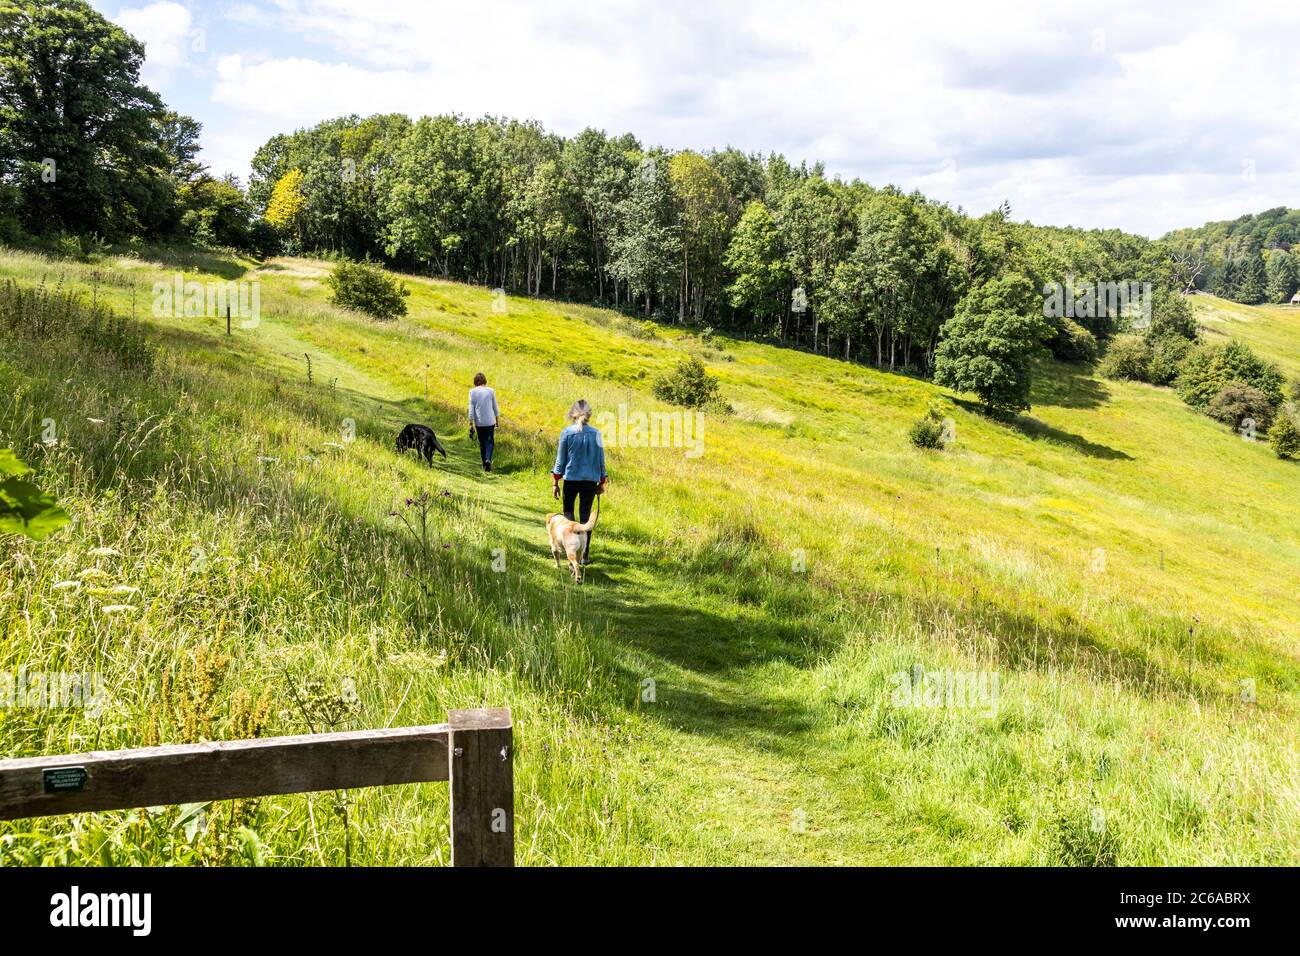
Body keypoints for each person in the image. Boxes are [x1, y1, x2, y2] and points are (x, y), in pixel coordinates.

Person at [552, 399, 607, 565]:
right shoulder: (596, 434)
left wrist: (555, 481)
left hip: (571, 479)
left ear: (572, 413)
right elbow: (600, 460)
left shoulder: (567, 433)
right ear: (589, 414)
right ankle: (585, 555)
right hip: (590, 481)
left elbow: (560, 461)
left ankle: (571, 550)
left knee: (568, 515)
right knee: (586, 518)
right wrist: (602, 481)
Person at [467, 372, 499, 472]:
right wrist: (497, 421)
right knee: (490, 442)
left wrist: (471, 424)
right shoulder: (491, 391)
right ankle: (488, 459)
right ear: (485, 381)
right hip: (490, 421)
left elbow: (471, 409)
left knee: (482, 443)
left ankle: (484, 465)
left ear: (475, 382)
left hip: (479, 422)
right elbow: (495, 407)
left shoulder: (472, 392)